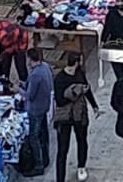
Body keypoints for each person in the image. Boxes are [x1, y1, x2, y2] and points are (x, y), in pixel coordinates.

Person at [53, 51, 98, 182]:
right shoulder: (60, 78)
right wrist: (75, 93)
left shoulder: (80, 74)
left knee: (82, 141)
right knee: (63, 149)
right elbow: (60, 100)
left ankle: (81, 166)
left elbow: (87, 89)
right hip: (64, 117)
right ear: (77, 62)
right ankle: (60, 178)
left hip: (79, 114)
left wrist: (94, 105)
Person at [22, 48, 53, 176]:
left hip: (36, 110)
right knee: (43, 133)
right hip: (45, 106)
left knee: (34, 137)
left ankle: (39, 165)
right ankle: (45, 158)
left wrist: (18, 90)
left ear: (30, 59)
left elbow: (29, 95)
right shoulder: (45, 66)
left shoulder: (35, 75)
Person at [0, 18, 31, 83]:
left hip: (21, 41)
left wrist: (2, 55)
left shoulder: (3, 34)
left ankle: (25, 83)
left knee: (20, 65)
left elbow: (11, 48)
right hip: (8, 39)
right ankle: (4, 80)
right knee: (3, 66)